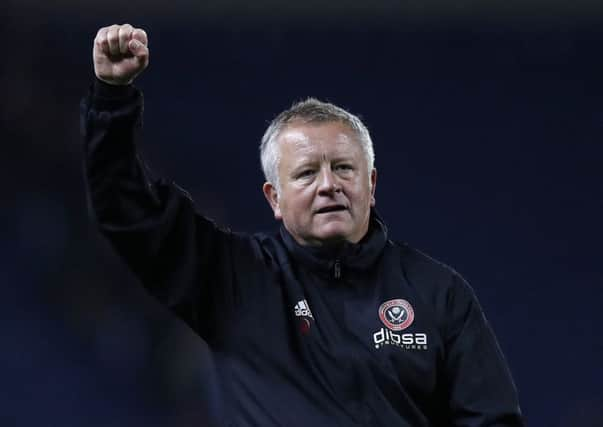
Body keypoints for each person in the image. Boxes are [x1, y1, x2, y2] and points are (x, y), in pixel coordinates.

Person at [81, 23, 525, 427]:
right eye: (307, 173)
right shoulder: (233, 279)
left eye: (344, 169)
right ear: (274, 198)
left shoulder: (438, 293)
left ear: (371, 185)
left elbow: (492, 421)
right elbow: (125, 209)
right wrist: (112, 97)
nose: (329, 185)